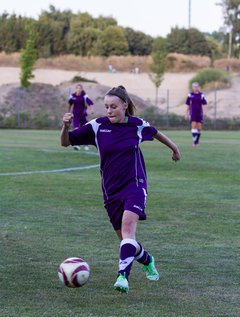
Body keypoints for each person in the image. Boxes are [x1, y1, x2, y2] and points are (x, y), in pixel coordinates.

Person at [61, 85, 181, 294]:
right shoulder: (97, 126)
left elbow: (156, 133)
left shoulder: (136, 125)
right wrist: (65, 126)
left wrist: (175, 148)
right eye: (106, 107)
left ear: (125, 106)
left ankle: (122, 277)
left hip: (135, 185)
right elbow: (66, 142)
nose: (109, 111)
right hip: (110, 192)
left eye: (113, 106)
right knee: (127, 242)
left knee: (128, 230)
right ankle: (148, 259)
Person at [68, 83, 94, 151]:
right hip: (75, 115)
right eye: (77, 88)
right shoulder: (72, 96)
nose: (78, 89)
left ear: (82, 89)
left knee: (84, 130)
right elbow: (70, 104)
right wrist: (68, 112)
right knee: (76, 129)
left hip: (83, 115)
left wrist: (91, 110)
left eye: (80, 88)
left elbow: (90, 103)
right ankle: (77, 144)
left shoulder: (84, 96)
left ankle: (86, 144)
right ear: (76, 89)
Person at [185, 82, 207, 147]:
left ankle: (197, 141)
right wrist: (186, 113)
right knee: (193, 125)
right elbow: (188, 105)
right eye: (194, 87)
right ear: (192, 87)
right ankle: (195, 142)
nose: (195, 88)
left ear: (198, 87)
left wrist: (205, 112)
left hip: (199, 113)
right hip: (192, 112)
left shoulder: (201, 95)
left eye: (196, 86)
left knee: (199, 128)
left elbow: (204, 104)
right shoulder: (190, 95)